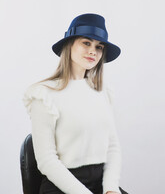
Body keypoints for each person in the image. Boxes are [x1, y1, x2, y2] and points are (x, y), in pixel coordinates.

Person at [23, 13, 129, 194]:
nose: (93, 51)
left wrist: (111, 188)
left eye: (99, 46)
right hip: (62, 186)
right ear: (69, 44)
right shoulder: (44, 94)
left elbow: (112, 146)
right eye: (86, 43)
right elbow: (47, 161)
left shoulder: (103, 92)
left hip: (100, 183)